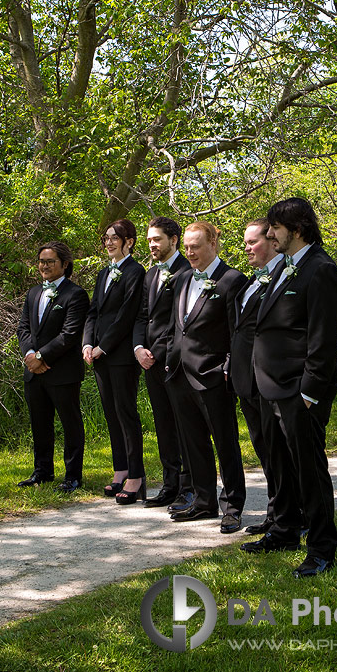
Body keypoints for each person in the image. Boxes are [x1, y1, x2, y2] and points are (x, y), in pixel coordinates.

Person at [247, 197, 337, 577]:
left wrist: (308, 392)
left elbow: (324, 339)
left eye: (275, 228)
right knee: (282, 468)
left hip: (299, 392)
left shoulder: (320, 270)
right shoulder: (289, 267)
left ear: (297, 229)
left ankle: (321, 548)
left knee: (309, 471)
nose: (270, 234)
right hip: (271, 387)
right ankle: (284, 530)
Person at [166, 220, 247, 533]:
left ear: (214, 243)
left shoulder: (231, 280)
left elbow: (237, 333)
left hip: (213, 377)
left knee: (225, 443)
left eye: (196, 246)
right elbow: (178, 326)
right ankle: (203, 501)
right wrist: (170, 364)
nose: (190, 252)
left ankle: (233, 506)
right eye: (186, 247)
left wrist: (226, 369)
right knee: (193, 442)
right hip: (179, 375)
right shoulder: (183, 278)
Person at [229, 218, 302, 538]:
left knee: (281, 453)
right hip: (246, 380)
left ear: (273, 242)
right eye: (244, 243)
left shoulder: (284, 279)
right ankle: (276, 514)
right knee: (265, 452)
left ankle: (291, 517)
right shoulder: (251, 281)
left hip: (270, 380)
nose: (246, 248)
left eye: (252, 242)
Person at [132, 217, 195, 510]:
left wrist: (156, 351)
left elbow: (179, 322)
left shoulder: (187, 271)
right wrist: (139, 347)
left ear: (173, 239)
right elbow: (143, 315)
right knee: (163, 424)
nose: (152, 245)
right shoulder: (150, 274)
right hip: (150, 361)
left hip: (175, 360)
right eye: (149, 240)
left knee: (184, 426)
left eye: (157, 239)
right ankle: (170, 485)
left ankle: (189, 486)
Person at [15, 242, 89, 491]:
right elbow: (23, 328)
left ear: (64, 264)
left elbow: (69, 335)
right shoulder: (33, 293)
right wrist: (30, 356)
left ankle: (73, 477)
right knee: (40, 423)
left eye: (50, 261)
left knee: (70, 424)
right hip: (34, 372)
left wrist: (42, 357)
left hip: (63, 371)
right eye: (41, 261)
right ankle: (42, 472)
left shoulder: (75, 294)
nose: (44, 266)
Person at [83, 220, 147, 502]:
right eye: (106, 238)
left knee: (126, 413)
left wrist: (103, 347)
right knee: (110, 412)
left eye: (114, 238)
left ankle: (137, 476)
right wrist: (87, 343)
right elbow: (93, 311)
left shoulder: (135, 272)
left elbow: (126, 316)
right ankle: (120, 469)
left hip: (120, 356)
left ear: (129, 241)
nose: (108, 242)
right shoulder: (103, 273)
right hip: (97, 355)